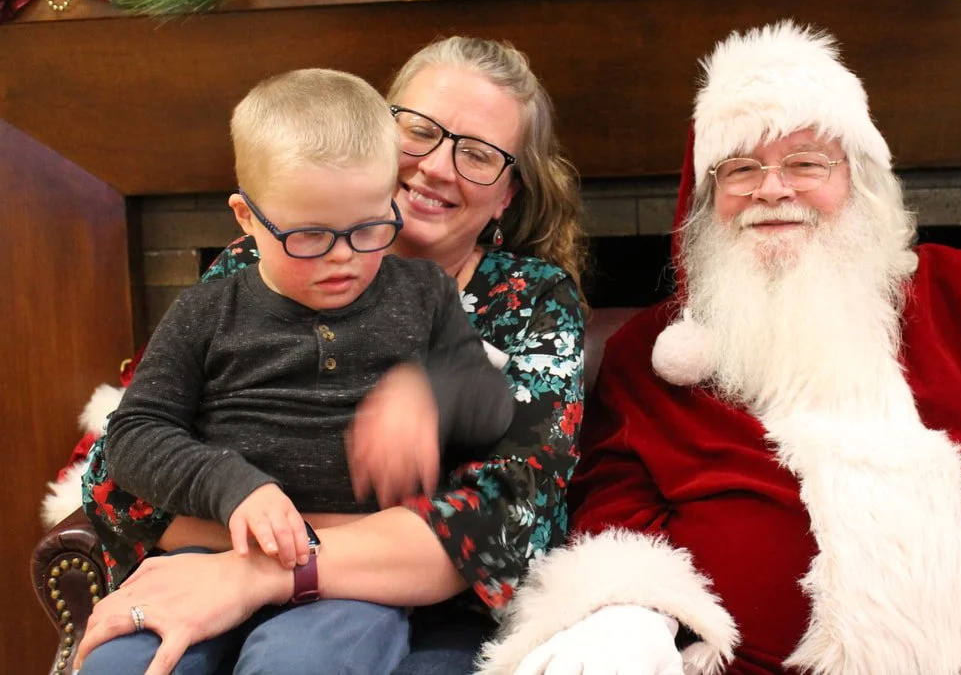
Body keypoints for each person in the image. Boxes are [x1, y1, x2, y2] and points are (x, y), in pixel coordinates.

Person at [474, 22, 961, 675]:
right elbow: (613, 516)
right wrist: (628, 616)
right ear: (707, 198)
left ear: (859, 181)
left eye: (806, 162)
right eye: (740, 168)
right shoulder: (649, 358)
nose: (772, 189)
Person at [75, 37, 586, 675]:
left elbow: (505, 521)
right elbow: (115, 474)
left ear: (507, 194)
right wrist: (247, 514)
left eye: (478, 153)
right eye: (419, 131)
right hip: (218, 553)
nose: (435, 167)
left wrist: (431, 395)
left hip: (372, 602)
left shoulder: (503, 301)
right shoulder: (249, 271)